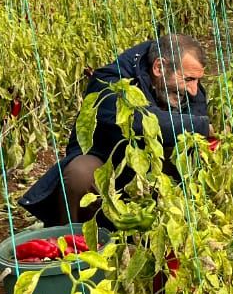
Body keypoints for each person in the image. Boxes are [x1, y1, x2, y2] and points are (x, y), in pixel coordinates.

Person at [20, 34, 211, 227]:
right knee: (80, 174)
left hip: (148, 170)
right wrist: (203, 126)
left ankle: (157, 228)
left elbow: (194, 130)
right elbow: (141, 121)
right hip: (110, 165)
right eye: (189, 79)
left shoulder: (184, 84)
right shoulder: (109, 82)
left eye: (197, 80)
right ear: (159, 67)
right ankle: (80, 241)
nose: (194, 90)